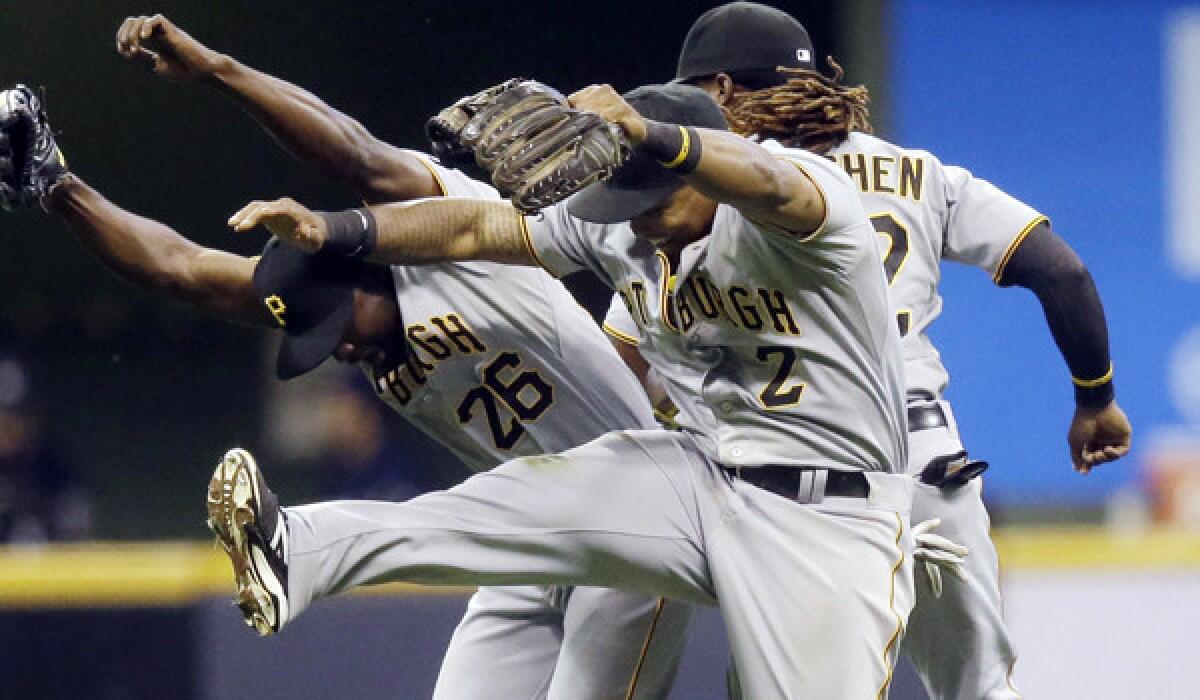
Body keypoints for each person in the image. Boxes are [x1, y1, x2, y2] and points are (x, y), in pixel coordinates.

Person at [0, 16, 696, 699]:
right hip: (535, 543)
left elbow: (353, 155)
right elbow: (180, 268)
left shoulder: (446, 253)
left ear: (367, 261)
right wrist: (61, 189)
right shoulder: (319, 302)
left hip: (637, 518)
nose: (344, 345)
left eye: (339, 323)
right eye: (324, 340)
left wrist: (218, 70)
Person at [221, 77, 920, 697]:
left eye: (650, 196)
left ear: (700, 170)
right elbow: (475, 225)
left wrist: (652, 134)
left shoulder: (806, 211)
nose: (634, 217)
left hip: (831, 517)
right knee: (522, 494)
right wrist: (342, 232)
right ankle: (298, 547)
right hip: (707, 478)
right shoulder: (628, 230)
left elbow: (768, 181)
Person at [602, 4, 1131, 698]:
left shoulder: (708, 201)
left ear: (723, 90)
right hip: (927, 467)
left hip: (797, 485)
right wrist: (1096, 399)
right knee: (978, 689)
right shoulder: (918, 172)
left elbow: (622, 361)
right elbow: (1062, 270)